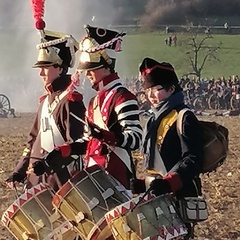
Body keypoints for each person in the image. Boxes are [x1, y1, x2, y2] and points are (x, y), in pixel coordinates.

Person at [30, 25, 143, 190]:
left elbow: (135, 138)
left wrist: (105, 135)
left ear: (106, 67)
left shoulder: (123, 97)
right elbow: (87, 142)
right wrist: (58, 154)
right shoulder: (94, 102)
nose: (87, 74)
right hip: (94, 177)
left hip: (117, 178)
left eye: (92, 70)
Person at [131, 57, 204, 239]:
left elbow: (193, 159)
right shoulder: (153, 119)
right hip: (157, 195)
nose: (150, 96)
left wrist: (169, 183)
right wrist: (143, 183)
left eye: (156, 90)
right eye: (147, 91)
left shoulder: (184, 117)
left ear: (171, 88)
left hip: (178, 195)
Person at [6, 30, 86, 191]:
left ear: (60, 69)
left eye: (46, 67)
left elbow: (77, 147)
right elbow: (33, 140)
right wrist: (19, 171)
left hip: (61, 182)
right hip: (38, 180)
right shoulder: (45, 102)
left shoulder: (70, 101)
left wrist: (49, 163)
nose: (41, 73)